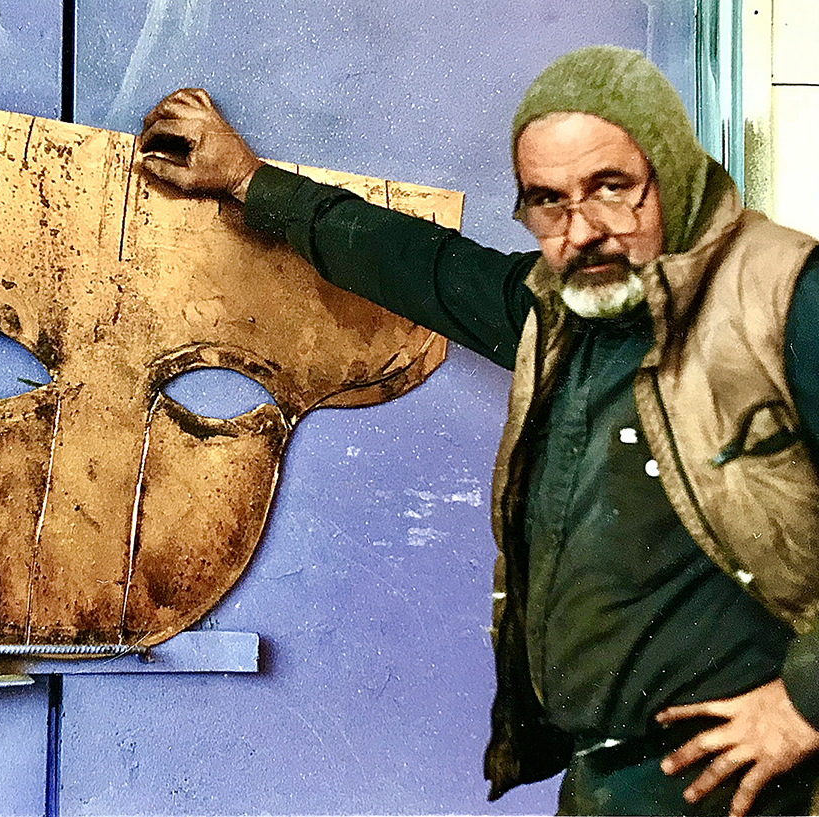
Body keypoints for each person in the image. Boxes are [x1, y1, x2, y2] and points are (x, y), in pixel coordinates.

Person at [138, 46, 819, 816]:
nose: (583, 228)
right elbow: (416, 265)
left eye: (612, 190)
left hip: (759, 792)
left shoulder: (783, 303)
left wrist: (805, 701)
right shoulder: (559, 316)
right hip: (609, 781)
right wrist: (248, 180)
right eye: (549, 201)